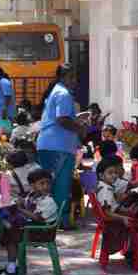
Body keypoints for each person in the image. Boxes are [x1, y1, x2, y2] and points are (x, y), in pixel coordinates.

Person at [36, 63, 82, 229]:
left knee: (48, 184)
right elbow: (62, 119)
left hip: (50, 144)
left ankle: (47, 219)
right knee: (61, 185)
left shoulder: (56, 91)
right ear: (64, 77)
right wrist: (80, 127)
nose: (75, 81)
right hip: (59, 146)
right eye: (72, 77)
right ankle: (62, 221)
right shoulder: (63, 94)